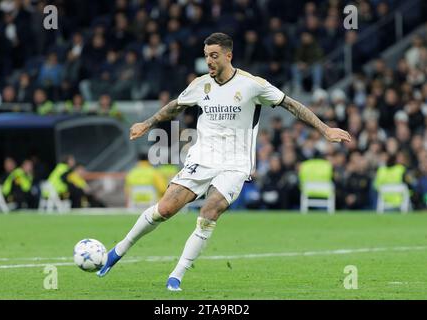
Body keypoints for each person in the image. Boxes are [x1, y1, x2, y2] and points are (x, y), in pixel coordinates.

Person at [96, 32, 351, 291]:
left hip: (235, 163)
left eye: (214, 56)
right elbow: (175, 106)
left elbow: (291, 105)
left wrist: (325, 129)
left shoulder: (253, 85)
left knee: (210, 211)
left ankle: (177, 275)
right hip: (203, 157)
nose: (209, 61)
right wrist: (147, 123)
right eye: (207, 56)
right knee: (165, 210)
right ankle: (118, 250)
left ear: (228, 55)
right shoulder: (200, 84)